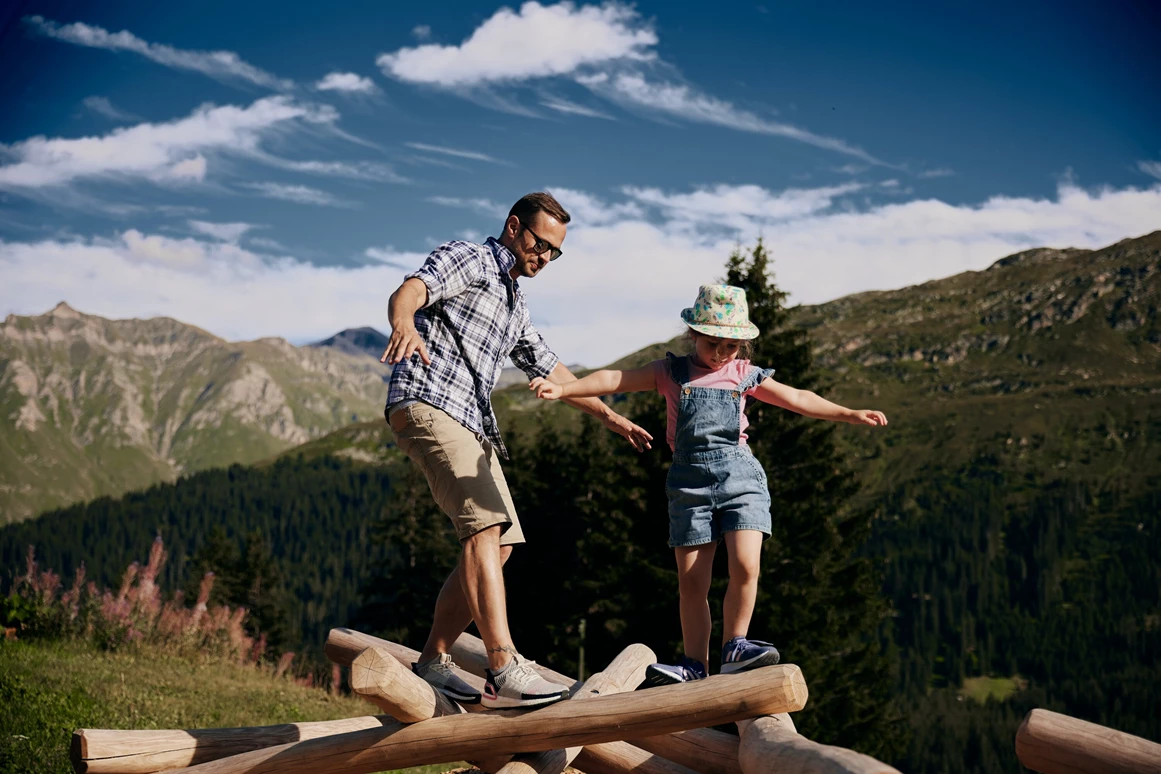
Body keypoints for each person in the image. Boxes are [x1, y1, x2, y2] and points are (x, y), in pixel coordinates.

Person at [530, 284, 887, 685]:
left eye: (730, 345)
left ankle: (736, 645)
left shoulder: (743, 375)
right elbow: (614, 378)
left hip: (741, 477)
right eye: (712, 342)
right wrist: (564, 388)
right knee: (692, 580)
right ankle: (693, 664)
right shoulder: (670, 373)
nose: (720, 353)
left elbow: (798, 398)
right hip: (689, 485)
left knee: (746, 563)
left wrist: (849, 413)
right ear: (693, 335)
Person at [380, 192, 653, 708]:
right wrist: (403, 322)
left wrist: (613, 417)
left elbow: (552, 370)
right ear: (513, 227)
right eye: (540, 244)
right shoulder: (472, 258)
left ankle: (435, 660)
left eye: (555, 252)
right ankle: (503, 665)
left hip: (469, 422)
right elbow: (412, 288)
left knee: (500, 542)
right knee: (484, 525)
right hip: (430, 401)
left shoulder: (515, 303)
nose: (545, 258)